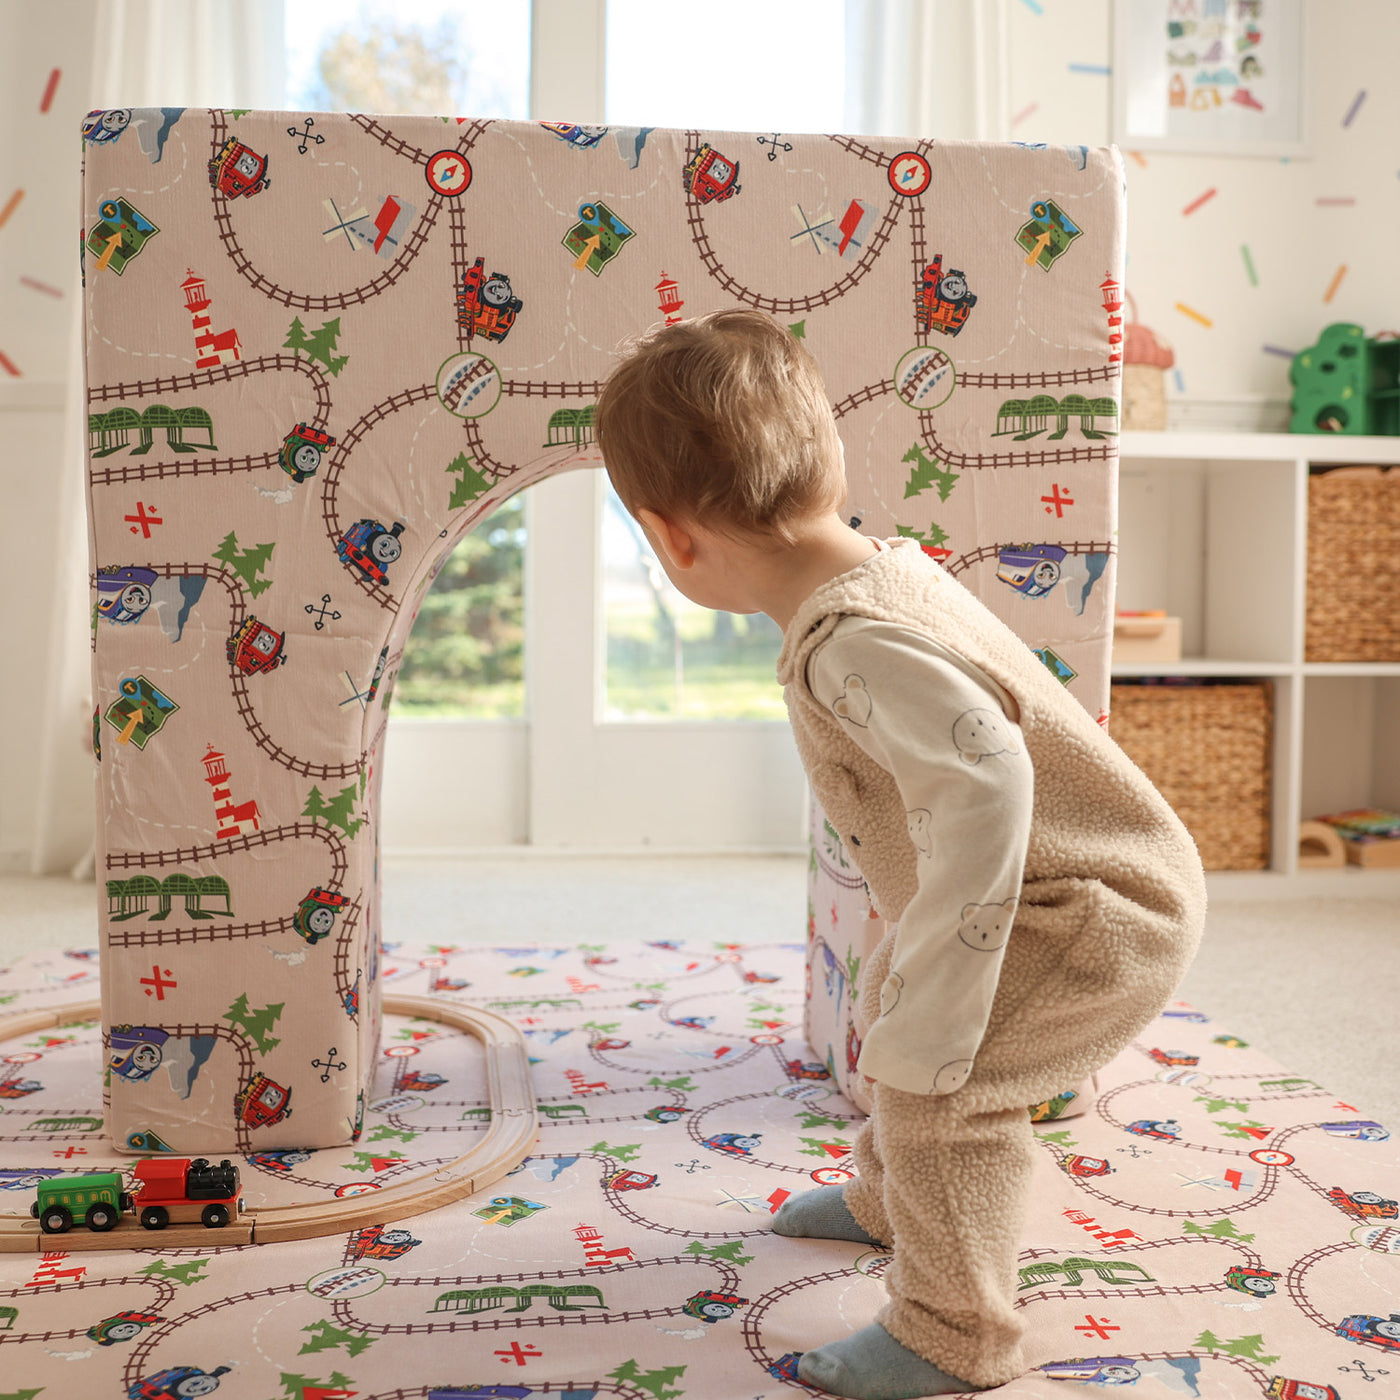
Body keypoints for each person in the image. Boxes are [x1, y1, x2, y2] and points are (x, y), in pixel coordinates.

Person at [594, 308, 1207, 1398]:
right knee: (896, 1001)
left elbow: (987, 782)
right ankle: (893, 1200)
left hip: (1088, 912)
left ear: (671, 536)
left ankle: (950, 1329)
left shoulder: (858, 640)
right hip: (1064, 888)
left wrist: (948, 978)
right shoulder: (869, 584)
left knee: (940, 1081)